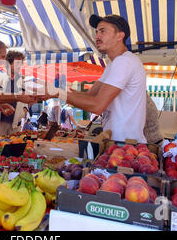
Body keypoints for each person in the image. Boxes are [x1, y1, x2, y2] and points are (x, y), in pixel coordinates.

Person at [55, 14, 147, 143]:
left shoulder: (124, 62)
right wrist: (56, 90)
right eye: (96, 32)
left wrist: (57, 93)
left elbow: (97, 105)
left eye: (102, 31)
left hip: (124, 145)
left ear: (120, 36)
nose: (97, 36)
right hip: (116, 142)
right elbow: (90, 96)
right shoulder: (113, 64)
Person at [0, 51, 29, 136]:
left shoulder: (21, 81)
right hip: (1, 122)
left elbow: (25, 98)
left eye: (21, 63)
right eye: (17, 63)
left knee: (14, 146)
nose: (19, 66)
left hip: (16, 123)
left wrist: (25, 109)